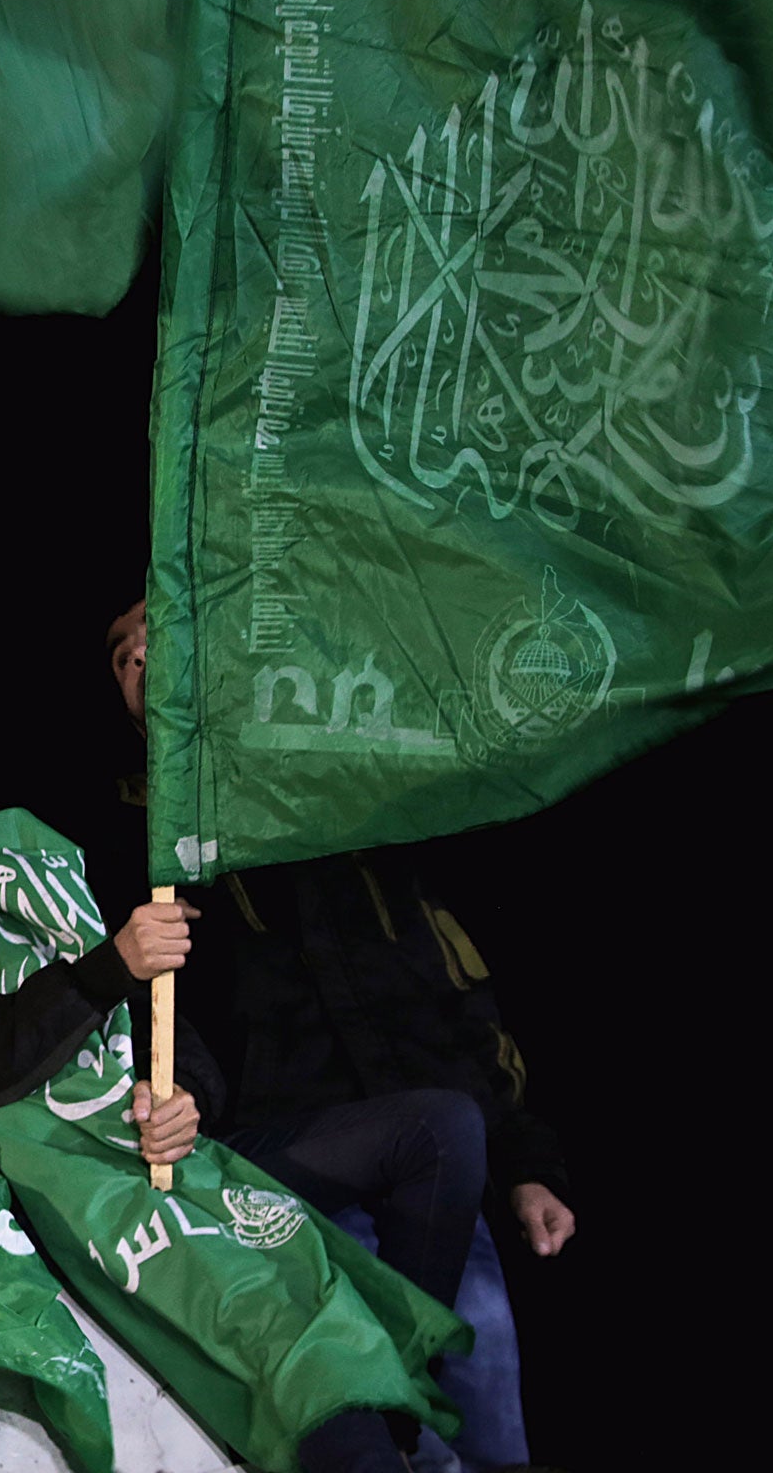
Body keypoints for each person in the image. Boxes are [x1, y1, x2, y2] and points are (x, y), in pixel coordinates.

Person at [0, 695, 470, 1473]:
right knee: (279, 1322)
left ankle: (395, 1419)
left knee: (438, 1131)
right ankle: (366, 1431)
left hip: (158, 1149)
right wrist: (110, 966)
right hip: (56, 1191)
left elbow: (173, 1029)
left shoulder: (29, 864)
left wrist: (179, 1096)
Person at [106, 600, 573, 1471]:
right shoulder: (132, 843)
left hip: (433, 1179)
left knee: (491, 1431)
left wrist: (525, 1160)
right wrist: (187, 1115)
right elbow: (158, 1028)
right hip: (294, 1193)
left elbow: (451, 988)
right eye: (122, 656)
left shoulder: (341, 794)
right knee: (404, 1445)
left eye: (160, 638)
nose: (142, 661)